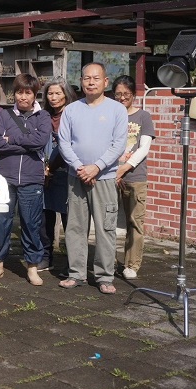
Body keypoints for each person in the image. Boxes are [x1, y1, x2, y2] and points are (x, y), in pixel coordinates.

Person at [57, 62, 127, 294]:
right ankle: (76, 273)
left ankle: (105, 276)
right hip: (76, 176)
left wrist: (96, 167)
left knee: (105, 227)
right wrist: (80, 167)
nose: (90, 82)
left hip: (104, 177)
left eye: (96, 78)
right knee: (76, 227)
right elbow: (63, 142)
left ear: (105, 82)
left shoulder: (117, 110)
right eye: (86, 78)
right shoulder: (72, 109)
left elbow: (119, 145)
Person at [0, 74, 52, 286]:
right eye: (19, 92)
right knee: (1, 222)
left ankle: (32, 267)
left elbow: (40, 141)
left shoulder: (43, 117)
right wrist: (26, 142)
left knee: (31, 224)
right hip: (5, 177)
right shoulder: (4, 115)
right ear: (13, 93)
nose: (23, 97)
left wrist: (12, 139)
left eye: (28, 92)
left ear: (35, 95)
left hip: (31, 178)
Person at [113, 75, 155, 280]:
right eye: (118, 94)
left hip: (135, 176)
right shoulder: (111, 116)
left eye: (126, 94)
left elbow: (143, 148)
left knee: (134, 222)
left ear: (134, 95)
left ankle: (132, 264)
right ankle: (108, 261)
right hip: (110, 175)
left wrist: (123, 169)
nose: (122, 98)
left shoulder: (143, 117)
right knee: (108, 220)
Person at [40, 77, 78, 271]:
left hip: (66, 171)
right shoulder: (44, 115)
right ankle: (46, 256)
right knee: (45, 217)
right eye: (50, 93)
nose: (53, 97)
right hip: (45, 173)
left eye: (58, 93)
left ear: (66, 94)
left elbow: (70, 146)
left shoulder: (73, 114)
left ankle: (73, 260)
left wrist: (52, 169)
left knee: (69, 218)